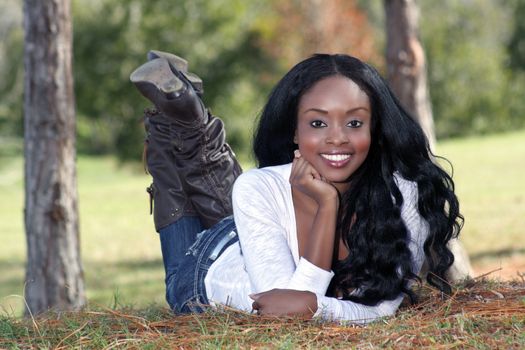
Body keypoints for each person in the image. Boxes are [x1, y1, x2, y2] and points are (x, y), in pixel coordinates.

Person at [130, 51, 463, 323]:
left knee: (250, 191)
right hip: (205, 268)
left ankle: (189, 120)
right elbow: (285, 314)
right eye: (318, 123)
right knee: (175, 189)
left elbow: (376, 309)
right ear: (294, 132)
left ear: (374, 129)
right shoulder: (259, 187)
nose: (337, 137)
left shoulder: (404, 194)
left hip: (261, 231)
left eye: (354, 122)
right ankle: (174, 124)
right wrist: (327, 208)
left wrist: (316, 307)